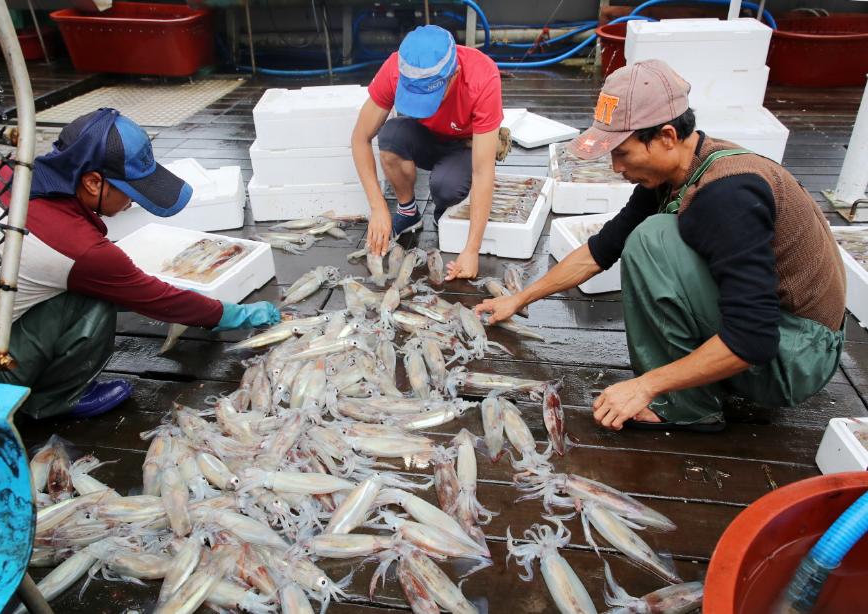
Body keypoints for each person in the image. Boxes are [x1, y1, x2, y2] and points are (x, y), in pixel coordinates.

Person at [475, 60, 847, 432]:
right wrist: (519, 299)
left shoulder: (727, 195)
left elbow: (753, 338)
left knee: (653, 241)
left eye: (621, 152)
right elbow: (601, 250)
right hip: (781, 332)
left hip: (798, 355)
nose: (614, 166)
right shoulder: (677, 171)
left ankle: (685, 407)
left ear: (667, 136)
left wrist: (645, 385)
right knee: (646, 235)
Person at [0, 108, 279, 419]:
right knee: (94, 302)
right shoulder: (78, 248)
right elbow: (160, 299)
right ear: (92, 182)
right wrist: (233, 314)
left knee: (83, 286)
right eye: (129, 192)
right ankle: (50, 402)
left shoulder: (3, 172)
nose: (131, 201)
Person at [351, 24, 508, 281]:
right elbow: (360, 137)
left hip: (465, 143)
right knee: (390, 137)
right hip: (423, 134)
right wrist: (378, 207)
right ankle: (408, 211)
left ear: (454, 74)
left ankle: (443, 212)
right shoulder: (396, 67)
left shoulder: (482, 76)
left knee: (445, 186)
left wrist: (471, 249)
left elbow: (483, 172)